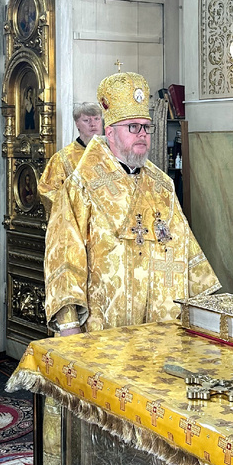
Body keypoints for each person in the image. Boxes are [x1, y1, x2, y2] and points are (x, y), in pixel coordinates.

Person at [44, 69, 220, 334]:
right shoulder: (81, 185)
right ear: (110, 132)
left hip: (163, 326)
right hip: (105, 330)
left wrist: (206, 311)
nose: (142, 134)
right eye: (133, 127)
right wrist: (69, 327)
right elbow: (64, 257)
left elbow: (186, 247)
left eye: (146, 127)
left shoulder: (163, 185)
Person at [37, 100, 103, 211]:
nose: (93, 124)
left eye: (97, 119)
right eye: (86, 120)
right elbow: (46, 191)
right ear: (77, 124)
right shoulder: (62, 158)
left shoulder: (112, 153)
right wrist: (76, 206)